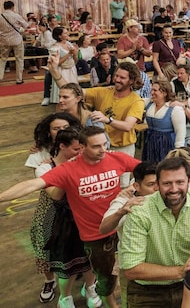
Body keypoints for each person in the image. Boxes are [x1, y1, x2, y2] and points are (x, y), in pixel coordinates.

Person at [0, 126, 141, 308]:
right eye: (96, 146)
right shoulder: (68, 169)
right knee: (101, 275)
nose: (103, 150)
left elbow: (147, 170)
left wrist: (132, 187)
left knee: (112, 271)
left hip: (119, 227)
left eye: (105, 144)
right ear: (82, 147)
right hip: (93, 235)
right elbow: (31, 185)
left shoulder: (116, 158)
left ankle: (94, 290)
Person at [119, 156, 190, 308]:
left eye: (179, 182)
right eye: (167, 183)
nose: (174, 189)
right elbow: (131, 269)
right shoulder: (140, 212)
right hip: (147, 290)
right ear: (158, 184)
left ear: (189, 180)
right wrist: (182, 271)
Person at [30, 127, 101, 308]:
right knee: (60, 262)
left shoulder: (87, 163)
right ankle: (62, 294)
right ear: (62, 146)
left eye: (83, 149)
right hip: (53, 217)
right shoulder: (45, 167)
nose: (80, 154)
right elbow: (55, 194)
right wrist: (71, 170)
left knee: (89, 257)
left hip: (83, 217)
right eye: (76, 150)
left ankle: (91, 287)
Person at [52, 59, 145, 156]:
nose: (117, 79)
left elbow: (127, 126)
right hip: (100, 147)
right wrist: (54, 71)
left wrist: (107, 120)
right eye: (116, 76)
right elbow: (71, 92)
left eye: (122, 78)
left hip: (122, 149)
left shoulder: (136, 101)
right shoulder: (104, 92)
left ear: (132, 81)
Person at [99, 162, 158, 308]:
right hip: (133, 266)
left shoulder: (164, 197)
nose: (156, 189)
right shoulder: (123, 201)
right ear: (137, 186)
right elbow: (103, 228)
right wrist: (121, 211)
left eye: (159, 183)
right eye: (151, 185)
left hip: (159, 262)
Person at [142, 79, 186, 164]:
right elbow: (135, 101)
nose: (152, 93)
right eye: (151, 90)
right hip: (150, 142)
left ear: (164, 93)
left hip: (166, 143)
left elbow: (180, 131)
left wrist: (178, 151)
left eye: (155, 90)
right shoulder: (149, 103)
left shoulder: (175, 108)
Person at [0, 0, 28, 84]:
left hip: (4, 40)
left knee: (2, 59)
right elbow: (26, 25)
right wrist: (20, 29)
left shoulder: (0, 16)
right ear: (12, 7)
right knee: (19, 59)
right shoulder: (16, 15)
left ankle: (0, 77)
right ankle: (19, 79)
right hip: (17, 40)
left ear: (4, 7)